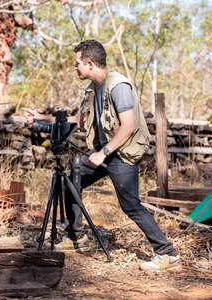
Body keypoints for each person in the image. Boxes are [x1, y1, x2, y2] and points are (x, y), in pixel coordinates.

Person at [23, 40, 180, 272]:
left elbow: (128, 126)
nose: (75, 68)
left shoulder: (118, 86)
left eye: (77, 64)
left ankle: (168, 253)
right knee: (71, 181)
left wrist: (104, 152)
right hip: (104, 152)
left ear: (89, 63)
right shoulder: (91, 89)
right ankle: (76, 236)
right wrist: (41, 118)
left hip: (121, 152)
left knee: (131, 205)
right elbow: (78, 121)